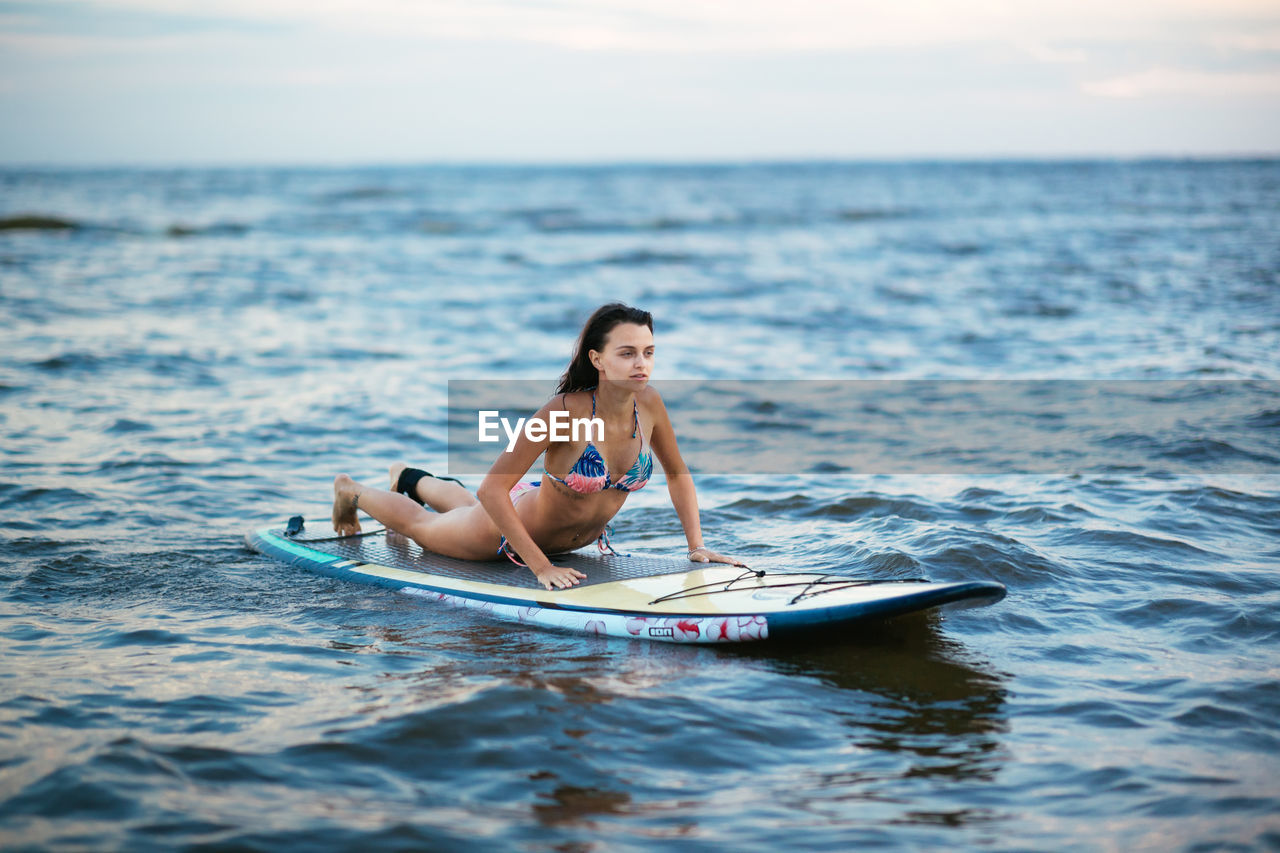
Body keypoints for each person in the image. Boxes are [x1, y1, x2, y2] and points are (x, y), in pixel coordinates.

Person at [330, 302, 743, 590]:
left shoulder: (649, 403)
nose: (642, 364)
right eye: (628, 353)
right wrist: (540, 566)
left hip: (553, 522)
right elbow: (491, 491)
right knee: (425, 528)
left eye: (649, 352)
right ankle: (352, 490)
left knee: (464, 510)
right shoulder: (562, 411)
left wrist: (696, 546)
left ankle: (407, 477)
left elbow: (677, 473)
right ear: (598, 360)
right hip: (503, 536)